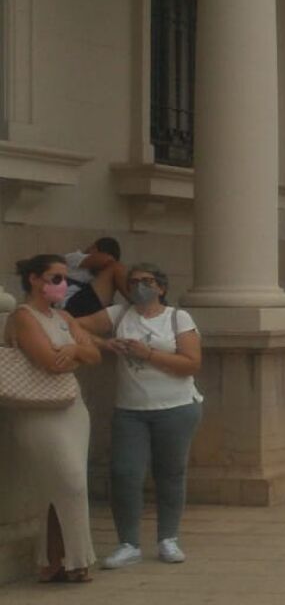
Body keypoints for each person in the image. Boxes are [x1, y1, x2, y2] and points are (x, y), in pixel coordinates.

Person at [72, 263, 202, 569]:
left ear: (161, 287)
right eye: (133, 282)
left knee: (170, 473)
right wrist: (105, 343)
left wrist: (149, 354)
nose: (139, 286)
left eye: (147, 281)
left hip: (176, 407)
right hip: (131, 410)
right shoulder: (118, 314)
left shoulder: (177, 318)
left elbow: (191, 363)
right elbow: (71, 324)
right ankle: (128, 543)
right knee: (125, 473)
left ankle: (168, 538)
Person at [6, 254, 102, 582]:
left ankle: (55, 560)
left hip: (71, 409)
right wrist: (75, 353)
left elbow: (93, 354)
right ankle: (78, 558)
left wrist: (74, 351)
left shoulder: (63, 316)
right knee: (69, 480)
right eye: (56, 278)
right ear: (35, 279)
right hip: (35, 409)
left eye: (65, 278)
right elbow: (48, 360)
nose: (62, 285)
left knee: (61, 485)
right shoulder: (23, 316)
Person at [60, 236, 128, 319]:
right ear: (94, 249)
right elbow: (106, 259)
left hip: (88, 307)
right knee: (117, 268)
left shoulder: (99, 273)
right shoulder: (73, 257)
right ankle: (136, 304)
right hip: (70, 305)